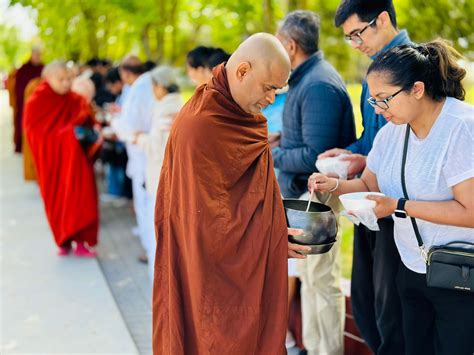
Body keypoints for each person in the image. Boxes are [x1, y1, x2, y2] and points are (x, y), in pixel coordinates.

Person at [309, 39, 474, 355]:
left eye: (384, 99)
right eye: (374, 100)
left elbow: (470, 211)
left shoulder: (461, 128)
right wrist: (334, 186)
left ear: (417, 89)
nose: (378, 109)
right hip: (410, 268)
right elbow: (369, 184)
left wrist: (399, 206)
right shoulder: (390, 133)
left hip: (459, 272)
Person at [152, 33, 308, 354]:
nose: (271, 100)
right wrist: (267, 239)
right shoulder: (200, 126)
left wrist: (275, 233)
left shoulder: (242, 116)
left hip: (245, 263)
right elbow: (205, 228)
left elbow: (253, 196)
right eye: (268, 89)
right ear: (242, 71)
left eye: (277, 91)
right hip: (209, 280)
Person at [316, 1, 412, 353]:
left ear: (382, 19)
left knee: (393, 311)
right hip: (365, 201)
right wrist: (350, 154)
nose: (356, 43)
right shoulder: (373, 74)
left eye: (358, 33)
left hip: (397, 209)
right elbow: (373, 140)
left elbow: (412, 143)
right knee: (365, 299)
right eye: (349, 38)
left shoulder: (412, 69)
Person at [274, 10, 356, 355]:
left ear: (291, 46)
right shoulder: (307, 78)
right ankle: (312, 348)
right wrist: (281, 139)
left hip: (318, 197)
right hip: (306, 196)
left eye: (278, 45)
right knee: (311, 279)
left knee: (322, 281)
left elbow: (315, 156)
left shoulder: (318, 84)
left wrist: (272, 155)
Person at [23, 61, 99, 257]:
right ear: (48, 79)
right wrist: (68, 135)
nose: (66, 83)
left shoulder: (75, 99)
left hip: (77, 162)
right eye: (61, 79)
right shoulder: (37, 102)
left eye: (69, 79)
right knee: (57, 199)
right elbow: (34, 134)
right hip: (53, 162)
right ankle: (63, 240)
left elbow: (89, 121)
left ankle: (82, 243)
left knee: (82, 198)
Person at [131, 66, 184, 282]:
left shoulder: (167, 109)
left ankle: (160, 283)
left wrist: (138, 138)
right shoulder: (174, 104)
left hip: (162, 177)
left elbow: (159, 146)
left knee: (159, 237)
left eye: (154, 86)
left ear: (160, 86)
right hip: (165, 177)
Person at [112, 55, 155, 262]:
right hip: (147, 152)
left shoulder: (139, 89)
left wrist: (114, 123)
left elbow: (129, 126)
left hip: (143, 153)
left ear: (126, 73)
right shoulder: (149, 83)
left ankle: (150, 249)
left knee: (146, 206)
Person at [13, 47, 44, 153]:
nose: (38, 57)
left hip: (41, 104)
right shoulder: (23, 69)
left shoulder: (43, 68)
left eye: (39, 55)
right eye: (36, 55)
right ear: (32, 55)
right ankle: (21, 145)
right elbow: (18, 87)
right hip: (26, 102)